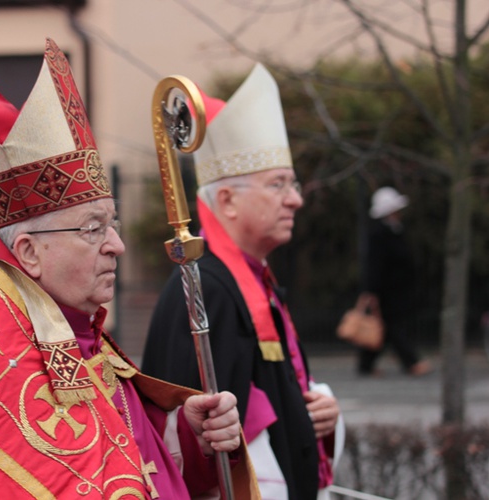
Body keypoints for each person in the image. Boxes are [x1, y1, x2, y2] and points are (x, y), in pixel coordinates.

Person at [0, 38, 259, 499]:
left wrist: (191, 438)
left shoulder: (90, 348)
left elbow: (148, 473)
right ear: (29, 253)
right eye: (93, 229)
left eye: (112, 224)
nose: (117, 245)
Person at [142, 64, 342, 500]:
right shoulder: (206, 289)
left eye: (293, 184)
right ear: (227, 201)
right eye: (278, 185)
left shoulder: (259, 280)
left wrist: (320, 411)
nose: (296, 199)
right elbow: (190, 436)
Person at [359, 186, 432, 376]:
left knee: (385, 328)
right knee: (392, 327)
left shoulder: (395, 230)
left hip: (397, 290)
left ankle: (366, 364)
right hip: (386, 291)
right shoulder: (379, 234)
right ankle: (410, 361)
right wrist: (371, 290)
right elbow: (374, 264)